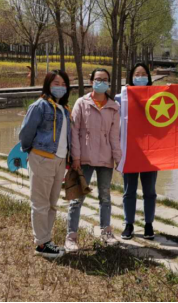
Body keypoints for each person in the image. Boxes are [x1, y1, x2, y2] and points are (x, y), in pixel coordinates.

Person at [65, 68, 122, 252]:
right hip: (84, 159)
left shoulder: (114, 107)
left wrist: (118, 158)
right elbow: (74, 131)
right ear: (91, 81)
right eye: (98, 79)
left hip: (105, 158)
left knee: (105, 196)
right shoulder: (81, 103)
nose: (101, 82)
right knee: (77, 198)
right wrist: (76, 156)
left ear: (109, 83)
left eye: (105, 79)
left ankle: (106, 232)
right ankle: (71, 236)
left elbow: (114, 136)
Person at [19, 71, 73, 259]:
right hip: (42, 158)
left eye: (64, 84)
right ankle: (41, 243)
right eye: (56, 83)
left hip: (59, 161)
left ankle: (47, 240)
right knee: (40, 203)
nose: (60, 87)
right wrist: (32, 152)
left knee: (52, 203)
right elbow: (26, 133)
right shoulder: (39, 106)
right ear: (48, 85)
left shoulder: (64, 108)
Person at [118, 63, 159, 241]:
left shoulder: (157, 97)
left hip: (151, 153)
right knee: (129, 190)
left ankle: (149, 224)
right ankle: (129, 224)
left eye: (143, 74)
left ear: (148, 78)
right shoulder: (122, 98)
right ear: (131, 77)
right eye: (137, 74)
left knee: (150, 191)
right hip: (130, 151)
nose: (140, 77)